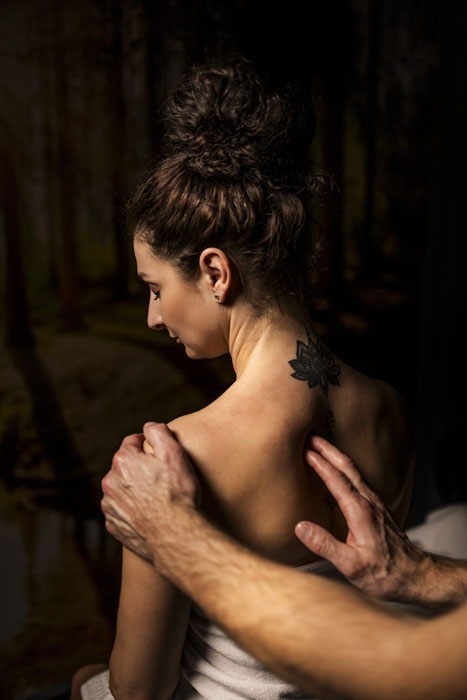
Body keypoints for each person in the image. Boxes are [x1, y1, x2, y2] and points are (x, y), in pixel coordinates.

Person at [73, 58, 413, 700]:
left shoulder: (177, 459)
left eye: (155, 288)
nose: (151, 317)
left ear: (216, 272)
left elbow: (140, 691)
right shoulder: (391, 408)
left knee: (83, 681)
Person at [100, 423, 467, 700]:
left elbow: (138, 691)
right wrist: (427, 573)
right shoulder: (387, 409)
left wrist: (176, 537)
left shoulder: (182, 445)